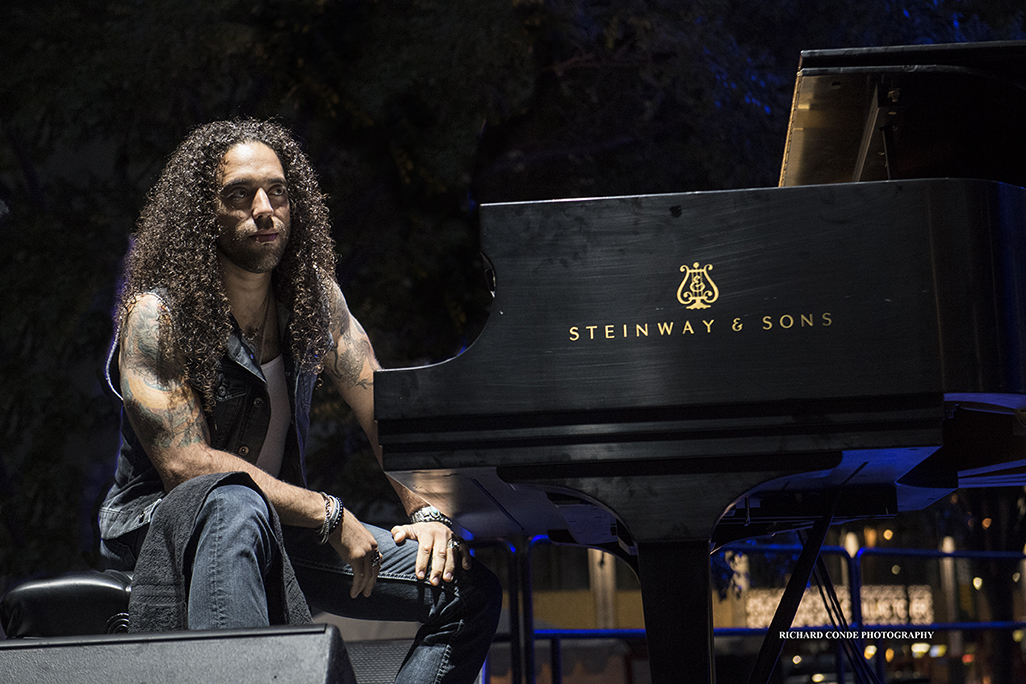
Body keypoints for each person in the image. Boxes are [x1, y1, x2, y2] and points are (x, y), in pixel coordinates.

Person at [98, 119, 501, 683]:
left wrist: (426, 509)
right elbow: (186, 467)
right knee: (232, 503)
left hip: (276, 527)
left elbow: (384, 408)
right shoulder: (157, 317)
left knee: (468, 588)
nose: (264, 208)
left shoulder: (312, 298)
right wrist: (327, 512)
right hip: (161, 527)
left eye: (277, 192)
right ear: (202, 214)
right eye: (239, 195)